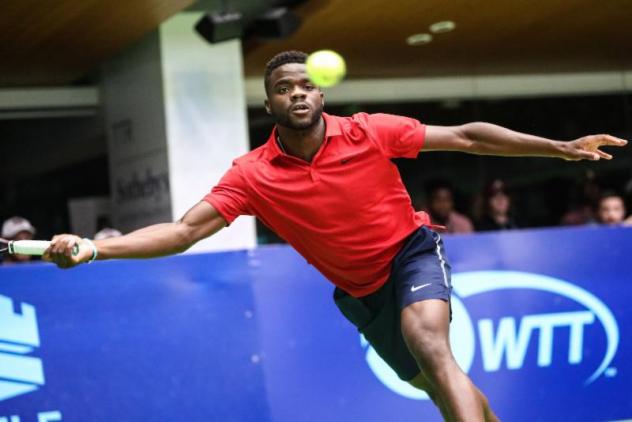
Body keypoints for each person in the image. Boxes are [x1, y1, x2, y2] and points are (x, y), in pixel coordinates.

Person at [44, 51, 627, 422]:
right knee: (435, 384)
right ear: (270, 102)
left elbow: (467, 137)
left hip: (411, 253)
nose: (296, 93)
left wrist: (557, 147)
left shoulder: (369, 131)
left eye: (305, 85)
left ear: (320, 95)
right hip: (359, 293)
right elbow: (182, 231)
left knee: (428, 342)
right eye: (282, 87)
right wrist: (96, 247)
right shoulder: (251, 175)